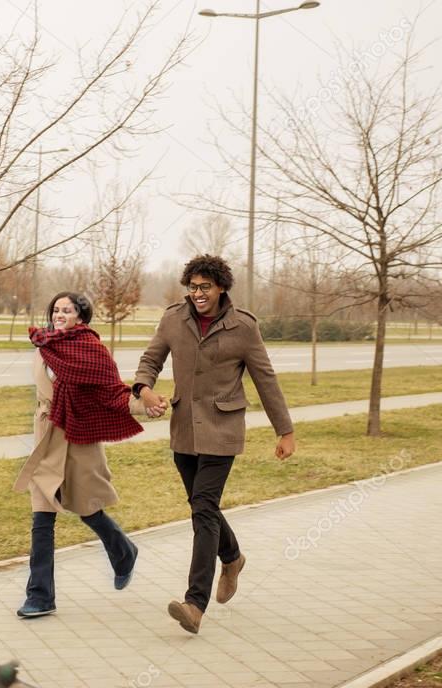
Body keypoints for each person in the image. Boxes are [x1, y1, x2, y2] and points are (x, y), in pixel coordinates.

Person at [133, 254, 296, 634]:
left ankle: (194, 604)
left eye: (205, 286)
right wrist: (143, 389)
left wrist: (284, 430)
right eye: (192, 287)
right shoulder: (174, 318)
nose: (197, 293)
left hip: (223, 430)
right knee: (201, 505)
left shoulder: (243, 327)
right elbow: (151, 358)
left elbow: (265, 379)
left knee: (203, 509)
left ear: (221, 286)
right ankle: (233, 558)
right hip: (184, 430)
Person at [13, 291, 147, 618]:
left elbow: (114, 392)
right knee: (41, 516)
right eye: (56, 309)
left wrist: (144, 405)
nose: (59, 315)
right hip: (48, 438)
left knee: (87, 508)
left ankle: (123, 551)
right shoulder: (45, 345)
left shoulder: (92, 350)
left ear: (81, 317)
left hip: (79, 437)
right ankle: (40, 596)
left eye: (67, 310)